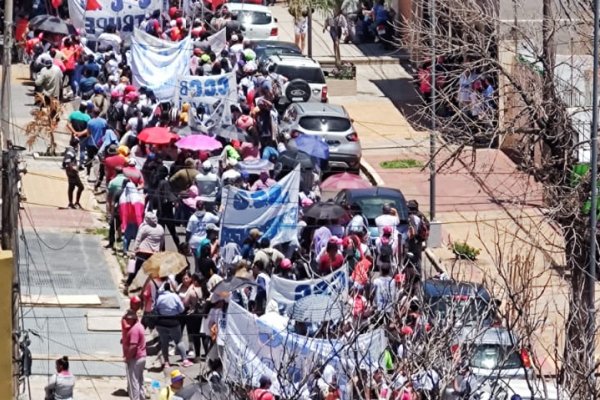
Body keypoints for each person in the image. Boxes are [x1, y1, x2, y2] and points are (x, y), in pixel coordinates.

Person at [155, 282, 193, 368]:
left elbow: (156, 308)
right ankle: (185, 360)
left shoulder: (160, 297)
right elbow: (182, 309)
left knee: (164, 342)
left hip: (161, 322)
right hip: (173, 321)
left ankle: (166, 362)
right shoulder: (175, 296)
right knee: (178, 341)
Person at [125, 211, 164, 289]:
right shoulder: (160, 228)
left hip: (142, 251)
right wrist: (159, 251)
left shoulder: (144, 227)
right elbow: (162, 242)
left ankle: (127, 284)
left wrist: (134, 251)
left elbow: (138, 240)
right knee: (153, 272)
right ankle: (150, 288)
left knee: (135, 268)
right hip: (154, 253)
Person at [121, 309, 146, 400]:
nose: (126, 320)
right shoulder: (140, 326)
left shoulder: (134, 329)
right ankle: (142, 397)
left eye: (128, 319)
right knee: (140, 380)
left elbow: (133, 346)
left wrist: (127, 357)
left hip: (135, 358)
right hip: (142, 357)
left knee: (134, 382)